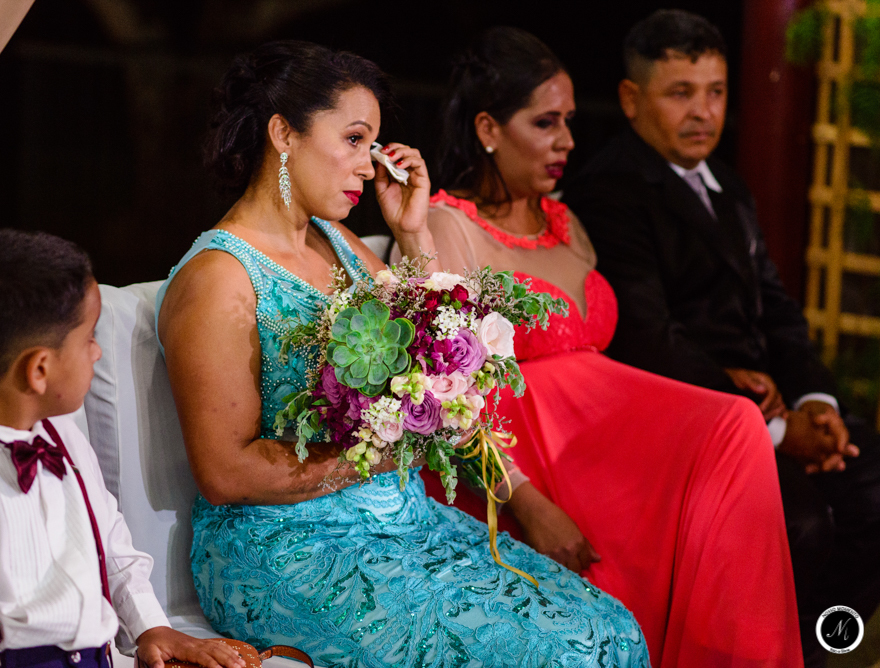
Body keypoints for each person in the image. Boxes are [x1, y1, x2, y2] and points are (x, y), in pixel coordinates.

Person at [155, 40, 649, 667]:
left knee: (611, 627)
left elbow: (433, 342)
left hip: (406, 522)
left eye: (374, 145)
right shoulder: (220, 276)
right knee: (561, 653)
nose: (369, 166)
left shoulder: (334, 240)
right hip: (288, 549)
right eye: (355, 140)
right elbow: (224, 474)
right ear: (284, 133)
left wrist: (411, 230)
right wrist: (375, 454)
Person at [393, 26, 802, 667]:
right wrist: (529, 504)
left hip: (602, 439)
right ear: (489, 129)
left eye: (570, 122)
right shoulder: (442, 226)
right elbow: (441, 395)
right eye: (546, 123)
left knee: (735, 427)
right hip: (526, 461)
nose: (567, 142)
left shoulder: (567, 222)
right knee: (733, 428)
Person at [563, 10, 880, 666]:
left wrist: (815, 404)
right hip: (690, 417)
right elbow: (648, 338)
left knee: (873, 492)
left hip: (773, 405)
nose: (703, 111)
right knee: (804, 525)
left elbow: (779, 314)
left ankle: (811, 648)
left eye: (715, 92)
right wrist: (777, 435)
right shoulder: (612, 189)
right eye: (681, 93)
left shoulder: (728, 184)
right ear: (632, 98)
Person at [0, 230, 245, 668]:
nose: (97, 353)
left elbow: (109, 542)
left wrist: (151, 626)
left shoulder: (60, 434)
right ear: (39, 370)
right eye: (89, 338)